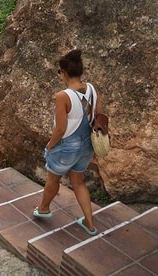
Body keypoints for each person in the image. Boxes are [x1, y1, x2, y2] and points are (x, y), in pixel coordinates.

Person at [33, 49, 104, 236]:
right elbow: (98, 115)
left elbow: (60, 129)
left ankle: (43, 208)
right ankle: (90, 224)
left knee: (53, 179)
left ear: (64, 73)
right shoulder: (91, 89)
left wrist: (50, 145)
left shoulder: (62, 96)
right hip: (87, 146)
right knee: (78, 182)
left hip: (66, 147)